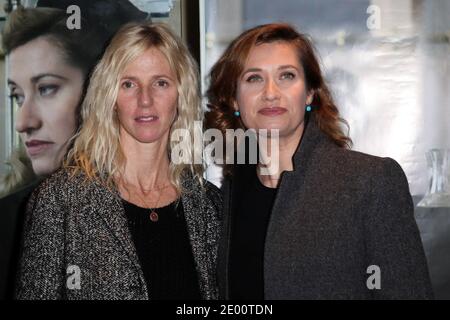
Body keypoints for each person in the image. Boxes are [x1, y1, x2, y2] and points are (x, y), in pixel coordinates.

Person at [205, 23, 433, 299]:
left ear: (310, 93)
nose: (271, 92)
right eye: (254, 78)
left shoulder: (370, 181)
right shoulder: (233, 190)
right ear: (234, 99)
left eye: (286, 76)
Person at [15, 22, 221, 300]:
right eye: (128, 84)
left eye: (160, 83)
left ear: (181, 95)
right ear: (110, 97)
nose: (145, 100)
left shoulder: (209, 204)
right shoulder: (60, 201)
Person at [0, 3, 148, 300]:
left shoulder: (174, 205)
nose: (23, 122)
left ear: (99, 92)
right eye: (17, 96)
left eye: (46, 89)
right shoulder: (9, 224)